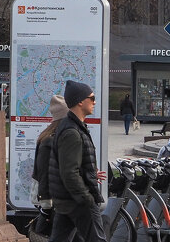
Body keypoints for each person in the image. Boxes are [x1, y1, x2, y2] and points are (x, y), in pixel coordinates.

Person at [48, 80, 105, 242]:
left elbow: (73, 166)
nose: (95, 102)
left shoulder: (72, 126)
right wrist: (87, 198)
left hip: (68, 199)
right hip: (78, 201)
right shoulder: (72, 132)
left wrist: (89, 173)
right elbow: (69, 172)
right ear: (81, 102)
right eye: (92, 98)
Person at [29, 95, 67, 242]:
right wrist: (46, 205)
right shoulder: (49, 141)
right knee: (46, 232)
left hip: (54, 197)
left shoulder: (56, 137)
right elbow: (43, 174)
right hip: (49, 198)